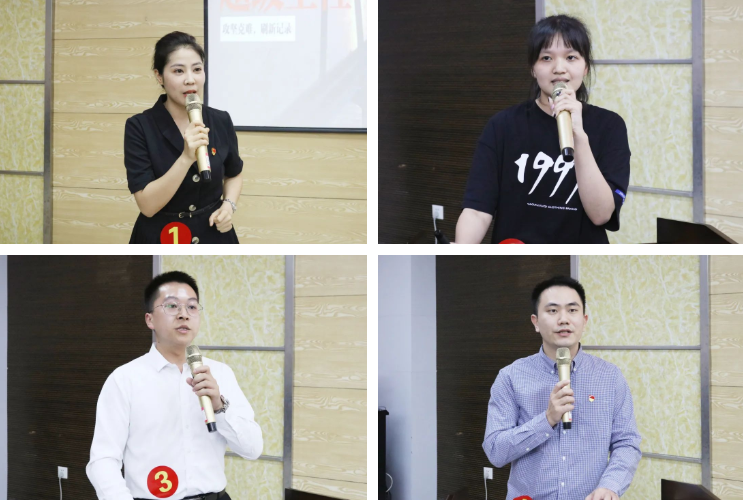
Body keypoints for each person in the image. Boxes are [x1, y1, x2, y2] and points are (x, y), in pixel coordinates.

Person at [86, 271, 263, 500]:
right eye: (171, 306)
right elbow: (103, 460)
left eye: (192, 307)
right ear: (150, 319)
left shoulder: (220, 373)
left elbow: (252, 449)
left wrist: (219, 406)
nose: (183, 314)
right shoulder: (124, 379)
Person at [455, 15, 631, 244]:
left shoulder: (610, 126)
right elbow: (477, 211)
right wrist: (461, 251)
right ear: (533, 68)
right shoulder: (502, 126)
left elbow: (601, 215)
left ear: (586, 67)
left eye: (571, 57)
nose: (559, 69)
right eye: (546, 58)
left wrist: (579, 136)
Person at [482, 276, 641, 500]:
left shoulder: (610, 377)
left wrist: (611, 486)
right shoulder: (510, 377)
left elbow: (627, 443)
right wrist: (547, 419)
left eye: (572, 310)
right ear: (536, 322)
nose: (563, 319)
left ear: (584, 320)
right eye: (553, 311)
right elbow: (495, 452)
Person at [124, 32, 244, 244]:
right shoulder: (139, 126)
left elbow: (234, 174)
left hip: (213, 234)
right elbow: (147, 206)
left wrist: (228, 206)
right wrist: (186, 157)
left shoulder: (220, 120)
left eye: (197, 69)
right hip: (161, 236)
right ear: (159, 76)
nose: (190, 79)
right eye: (178, 71)